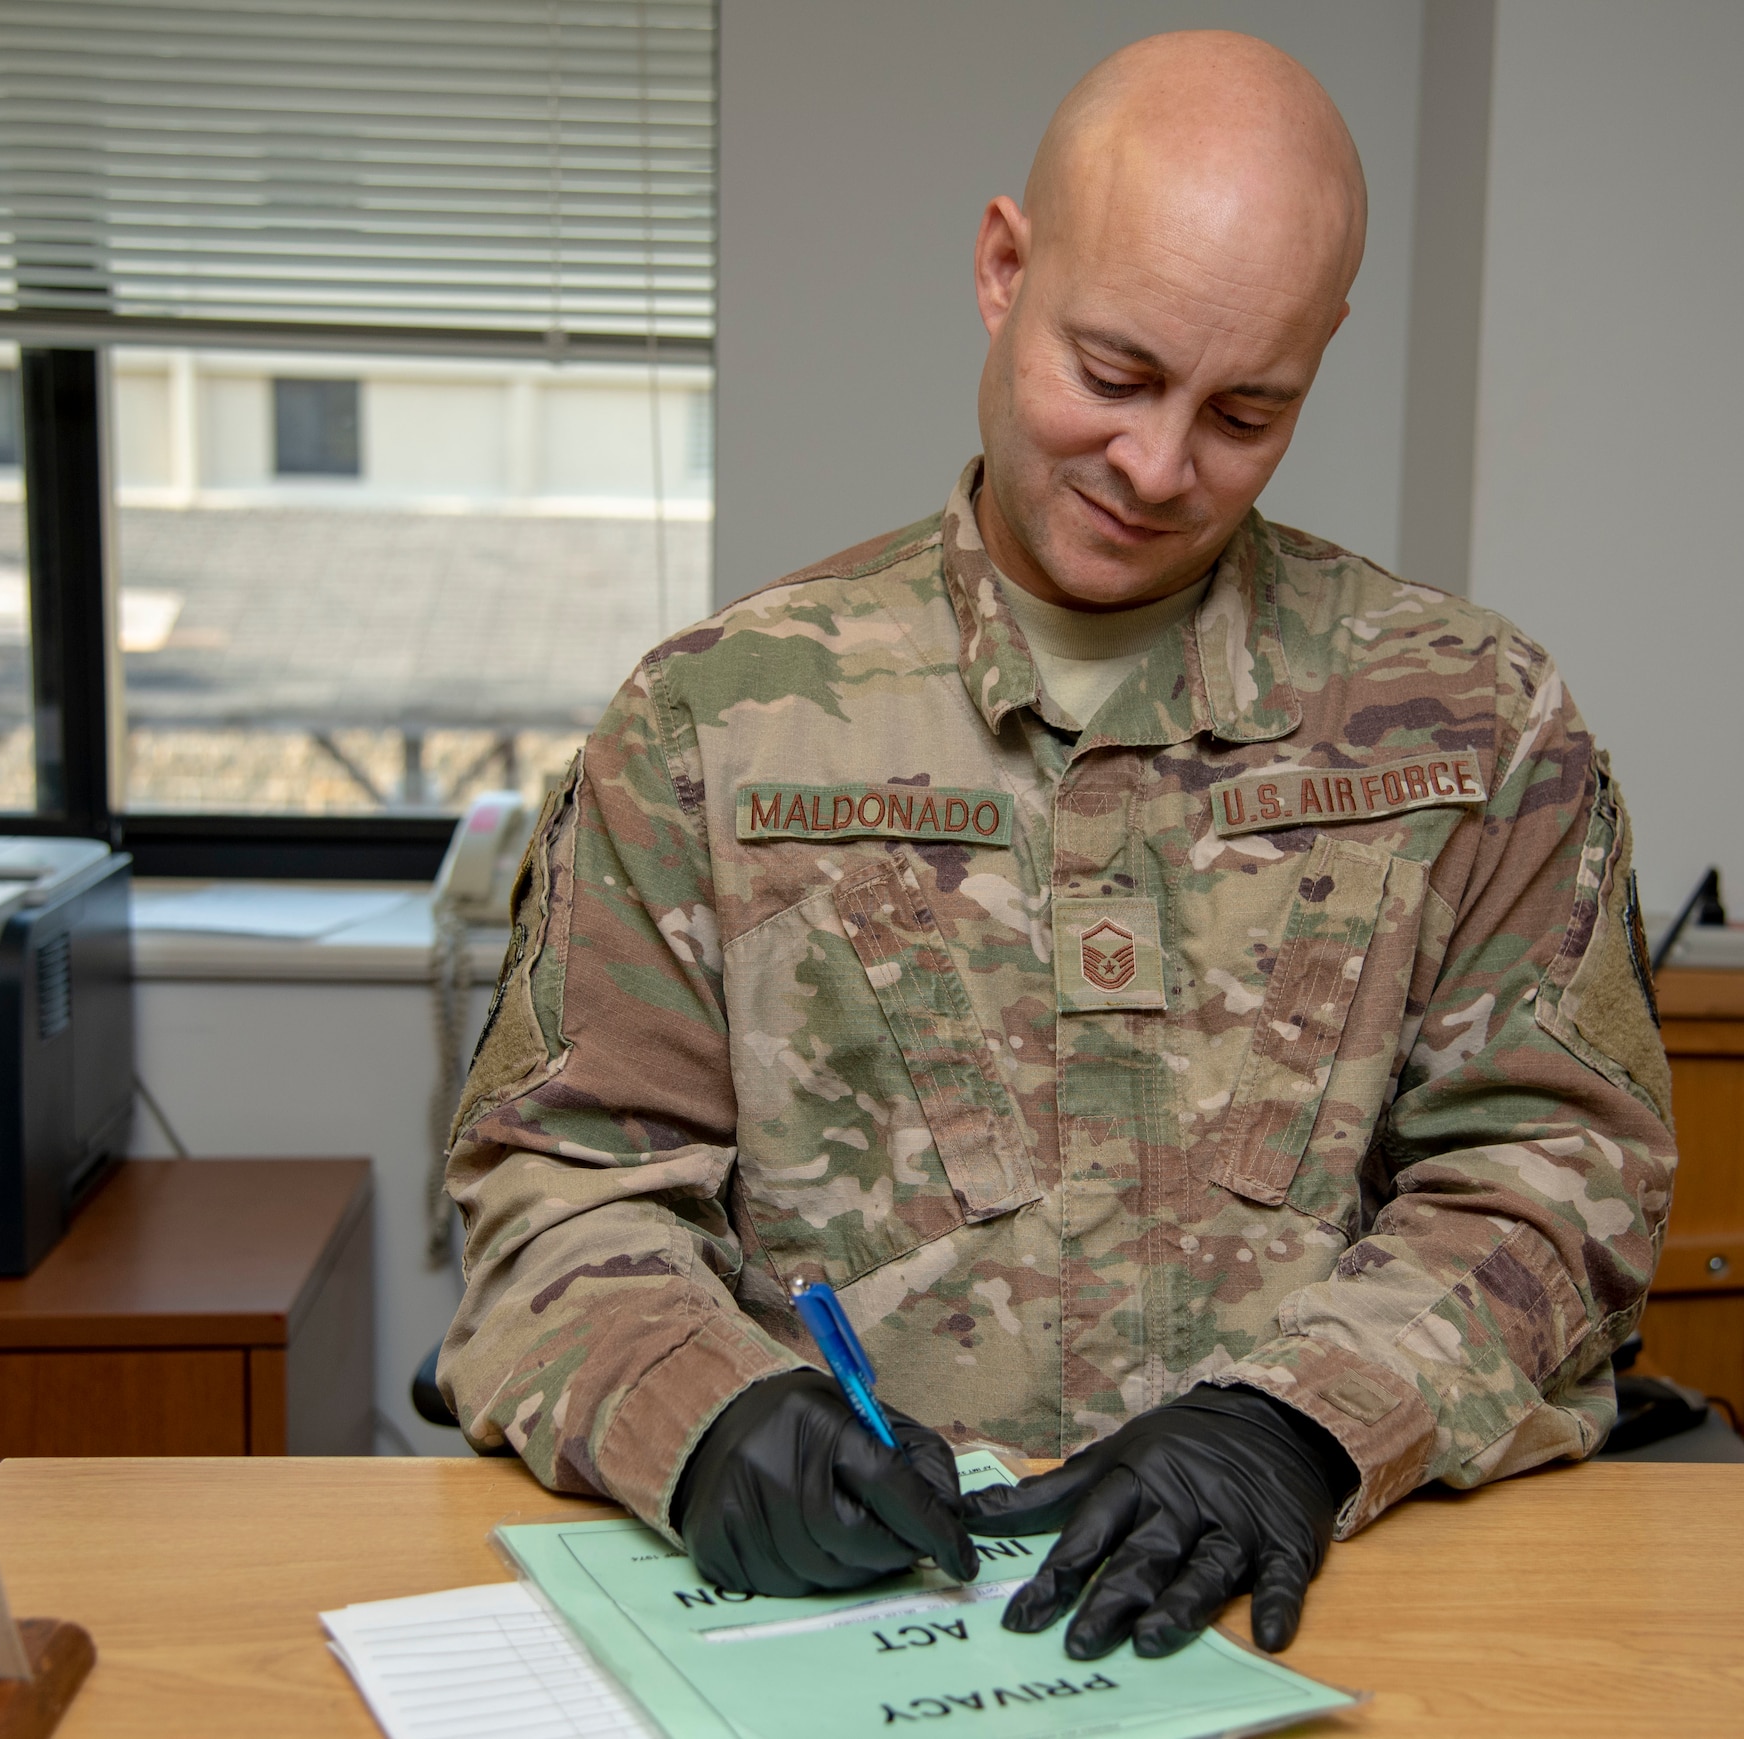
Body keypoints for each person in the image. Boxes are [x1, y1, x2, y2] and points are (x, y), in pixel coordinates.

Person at [437, 29, 1674, 1664]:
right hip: (860, 1624)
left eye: (1247, 411)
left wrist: (1297, 1429)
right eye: (1112, 375)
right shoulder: (714, 723)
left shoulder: (1478, 724)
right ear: (1003, 266)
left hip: (1323, 1608)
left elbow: (1554, 1179)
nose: (1159, 469)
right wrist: (709, 1417)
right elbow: (560, 1188)